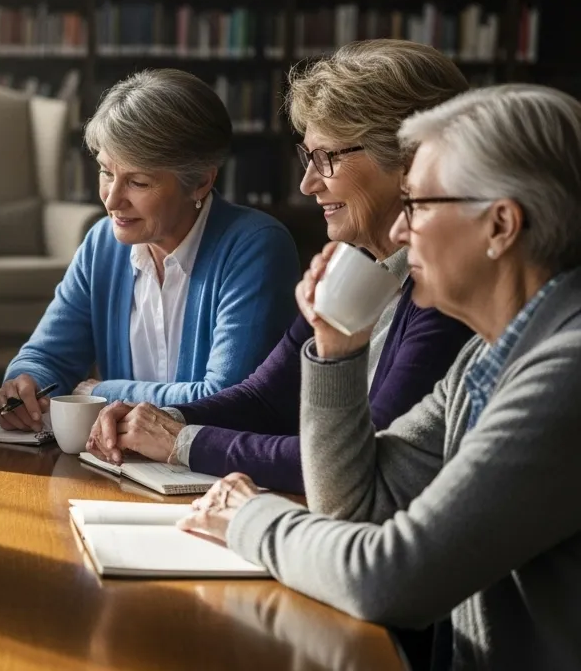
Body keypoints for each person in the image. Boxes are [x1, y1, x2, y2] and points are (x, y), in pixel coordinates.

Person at [180, 84, 581, 669]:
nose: (398, 232)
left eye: (417, 206)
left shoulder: (565, 375)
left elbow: (389, 578)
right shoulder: (487, 359)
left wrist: (247, 517)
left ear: (500, 226)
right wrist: (337, 350)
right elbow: (354, 507)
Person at [86, 40, 474, 494]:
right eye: (307, 157)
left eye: (326, 158)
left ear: (407, 159)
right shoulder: (355, 265)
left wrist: (182, 440)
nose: (308, 183)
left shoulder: (447, 296)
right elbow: (264, 398)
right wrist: (158, 418)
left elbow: (360, 461)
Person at [0, 69, 299, 430]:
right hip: (125, 462)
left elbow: (226, 396)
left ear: (200, 181)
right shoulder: (102, 243)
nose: (112, 199)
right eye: (106, 172)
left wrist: (103, 392)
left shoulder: (256, 246)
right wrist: (24, 382)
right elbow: (48, 356)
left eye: (138, 182)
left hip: (220, 472)